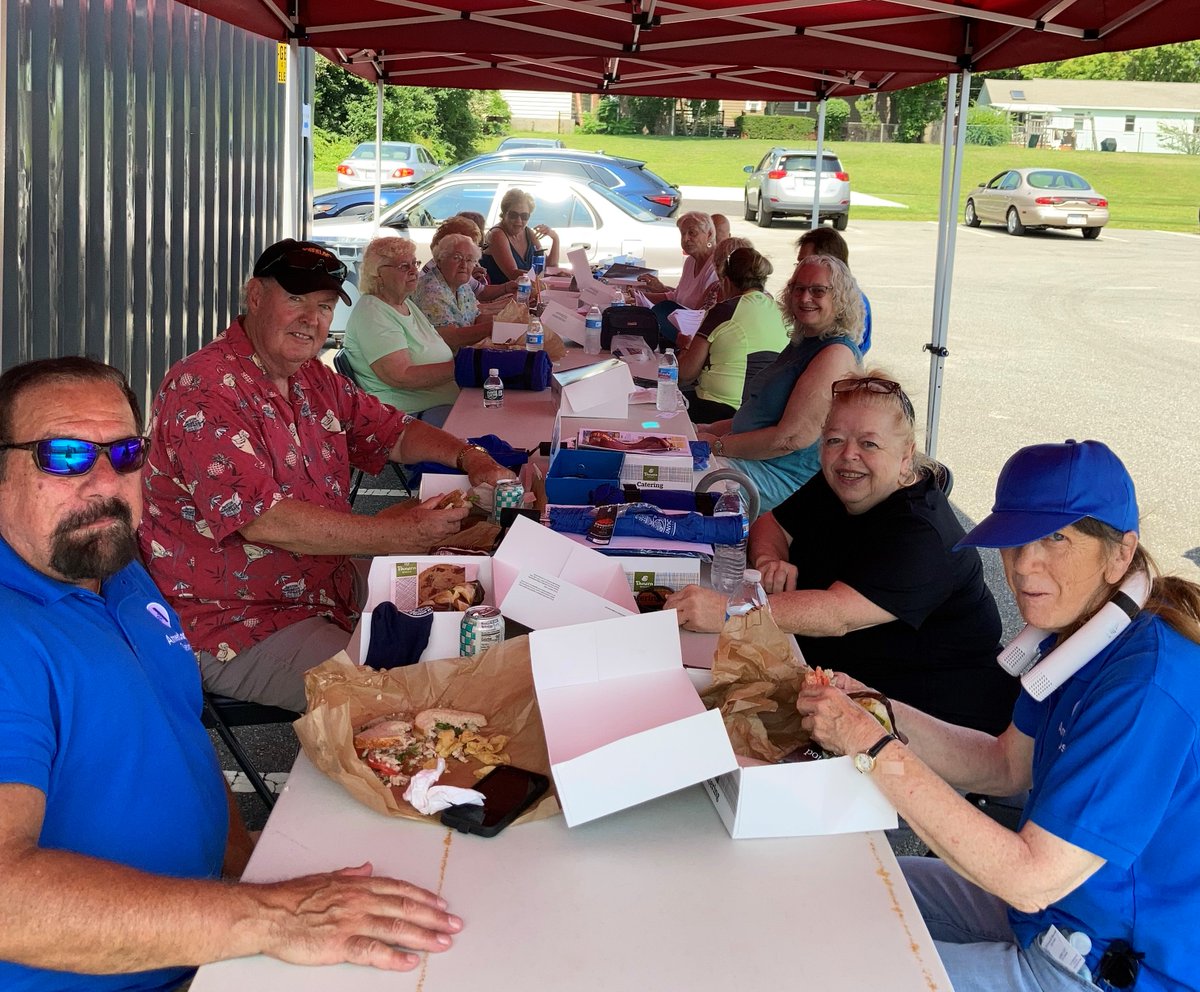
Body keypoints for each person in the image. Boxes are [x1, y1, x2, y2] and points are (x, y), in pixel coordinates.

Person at [0, 357, 463, 990]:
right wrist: (272, 915)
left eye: (127, 452)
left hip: (209, 931)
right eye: (63, 456)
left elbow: (176, 732)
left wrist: (246, 865)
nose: (105, 481)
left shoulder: (115, 569)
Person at [796, 438, 1200, 992]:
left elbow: (1031, 877)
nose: (1022, 565)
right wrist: (878, 709)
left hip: (1107, 963)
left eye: (1056, 538)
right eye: (1014, 540)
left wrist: (872, 747)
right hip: (1051, 915)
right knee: (844, 880)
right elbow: (1005, 765)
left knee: (830, 969)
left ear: (1120, 553)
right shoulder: (1078, 632)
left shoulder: (1147, 685)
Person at [140, 238, 513, 712]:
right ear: (255, 297)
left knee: (471, 595)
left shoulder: (309, 376)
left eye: (322, 306)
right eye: (295, 299)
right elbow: (264, 520)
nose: (311, 318)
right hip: (239, 621)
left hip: (323, 583)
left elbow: (393, 431)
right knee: (403, 702)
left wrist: (471, 458)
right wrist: (393, 533)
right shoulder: (204, 389)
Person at [668, 371, 1016, 733]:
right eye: (834, 439)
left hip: (925, 720)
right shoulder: (842, 481)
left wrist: (729, 611)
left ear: (905, 456)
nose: (848, 455)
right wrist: (772, 559)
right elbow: (771, 523)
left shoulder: (922, 533)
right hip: (823, 679)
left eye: (869, 444)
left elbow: (837, 615)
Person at [697, 254, 864, 514]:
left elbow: (789, 439)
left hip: (783, 479)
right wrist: (704, 429)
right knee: (674, 452)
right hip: (756, 460)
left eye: (818, 290)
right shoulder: (804, 342)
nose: (805, 297)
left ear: (839, 299)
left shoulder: (835, 355)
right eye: (799, 289)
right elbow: (759, 414)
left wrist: (715, 446)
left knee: (684, 475)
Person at [343, 236, 461, 428]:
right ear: (378, 274)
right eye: (404, 266)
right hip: (406, 418)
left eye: (415, 263)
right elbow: (401, 375)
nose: (414, 271)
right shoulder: (373, 312)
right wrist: (465, 367)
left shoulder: (404, 303)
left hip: (441, 404)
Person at [676, 246, 786, 423]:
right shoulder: (782, 312)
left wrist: (685, 347)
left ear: (726, 282)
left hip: (718, 409)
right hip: (766, 412)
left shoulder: (724, 311)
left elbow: (687, 372)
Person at [636, 211, 719, 342]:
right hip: (675, 326)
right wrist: (636, 297)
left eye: (692, 233)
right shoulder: (690, 261)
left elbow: (704, 314)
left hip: (694, 336)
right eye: (683, 234)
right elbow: (676, 297)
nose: (686, 239)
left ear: (709, 235)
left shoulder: (715, 266)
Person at [414, 233, 498, 353]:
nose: (464, 265)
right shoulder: (431, 289)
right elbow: (451, 338)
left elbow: (476, 318)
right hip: (443, 361)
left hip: (465, 354)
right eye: (457, 258)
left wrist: (508, 321)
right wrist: (494, 327)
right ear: (439, 259)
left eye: (469, 260)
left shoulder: (462, 285)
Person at [797, 226, 872, 354]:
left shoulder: (853, 303)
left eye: (805, 262)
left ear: (829, 262)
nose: (799, 269)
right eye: (798, 263)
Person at [423, 215, 516, 303]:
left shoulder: (455, 273)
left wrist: (507, 288)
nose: (464, 263)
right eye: (457, 257)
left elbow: (480, 291)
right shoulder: (433, 283)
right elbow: (471, 316)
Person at [480, 188, 560, 284]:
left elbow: (549, 266)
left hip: (525, 292)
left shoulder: (528, 232)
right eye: (513, 215)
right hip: (501, 294)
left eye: (524, 216)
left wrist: (555, 238)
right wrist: (545, 279)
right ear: (504, 214)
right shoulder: (497, 234)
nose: (519, 220)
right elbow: (512, 274)